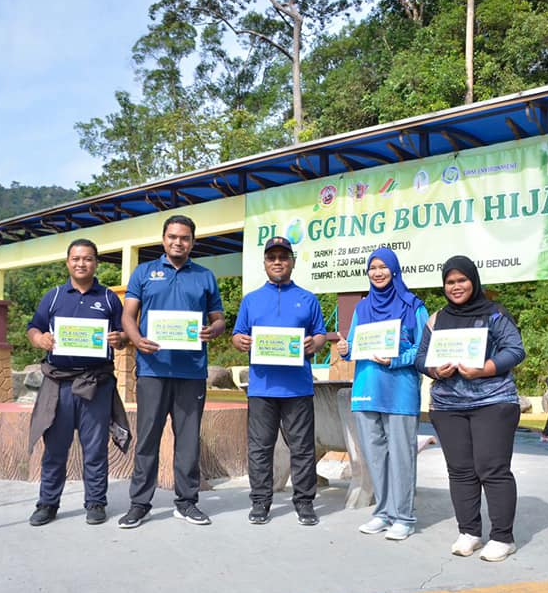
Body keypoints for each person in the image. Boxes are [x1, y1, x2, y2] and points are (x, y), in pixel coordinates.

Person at [415, 255, 525, 562]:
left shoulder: (494, 314)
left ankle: (503, 537)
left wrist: (486, 368)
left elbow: (515, 350)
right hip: (448, 405)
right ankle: (469, 532)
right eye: (450, 282)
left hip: (492, 402)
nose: (456, 286)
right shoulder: (437, 318)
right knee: (460, 471)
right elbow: (420, 357)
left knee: (492, 468)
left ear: (473, 281)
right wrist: (435, 370)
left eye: (462, 280)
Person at [118, 215, 226, 528]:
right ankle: (140, 504)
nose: (178, 242)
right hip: (152, 369)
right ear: (164, 239)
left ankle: (187, 502)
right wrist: (137, 340)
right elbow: (128, 315)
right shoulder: (143, 272)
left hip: (191, 371)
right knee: (148, 439)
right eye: (173, 237)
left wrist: (213, 330)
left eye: (185, 238)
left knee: (188, 440)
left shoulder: (205, 276)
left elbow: (218, 319)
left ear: (193, 242)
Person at [26, 238, 127, 527]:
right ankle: (47, 503)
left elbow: (123, 337)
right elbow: (34, 327)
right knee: (55, 447)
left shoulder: (109, 298)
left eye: (88, 259)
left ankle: (96, 502)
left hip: (96, 383)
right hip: (58, 385)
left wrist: (119, 339)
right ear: (68, 262)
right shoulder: (54, 297)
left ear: (96, 263)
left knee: (94, 447)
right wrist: (40, 339)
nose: (81, 263)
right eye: (76, 258)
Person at [232, 236, 327, 526]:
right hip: (261, 387)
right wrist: (240, 340)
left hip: (297, 386)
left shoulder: (308, 298)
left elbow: (321, 334)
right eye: (272, 257)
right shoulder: (251, 300)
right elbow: (237, 335)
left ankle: (304, 502)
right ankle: (260, 501)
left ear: (292, 262)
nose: (277, 262)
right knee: (260, 447)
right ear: (264, 263)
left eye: (283, 257)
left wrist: (316, 343)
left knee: (302, 447)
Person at [336, 247, 428, 541]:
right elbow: (352, 346)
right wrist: (345, 350)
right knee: (375, 456)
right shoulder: (362, 308)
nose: (377, 272)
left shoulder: (413, 305)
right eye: (372, 267)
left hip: (400, 391)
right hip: (367, 389)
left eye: (383, 267)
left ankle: (404, 516)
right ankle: (383, 512)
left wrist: (396, 359)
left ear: (394, 270)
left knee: (401, 455)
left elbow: (424, 350)